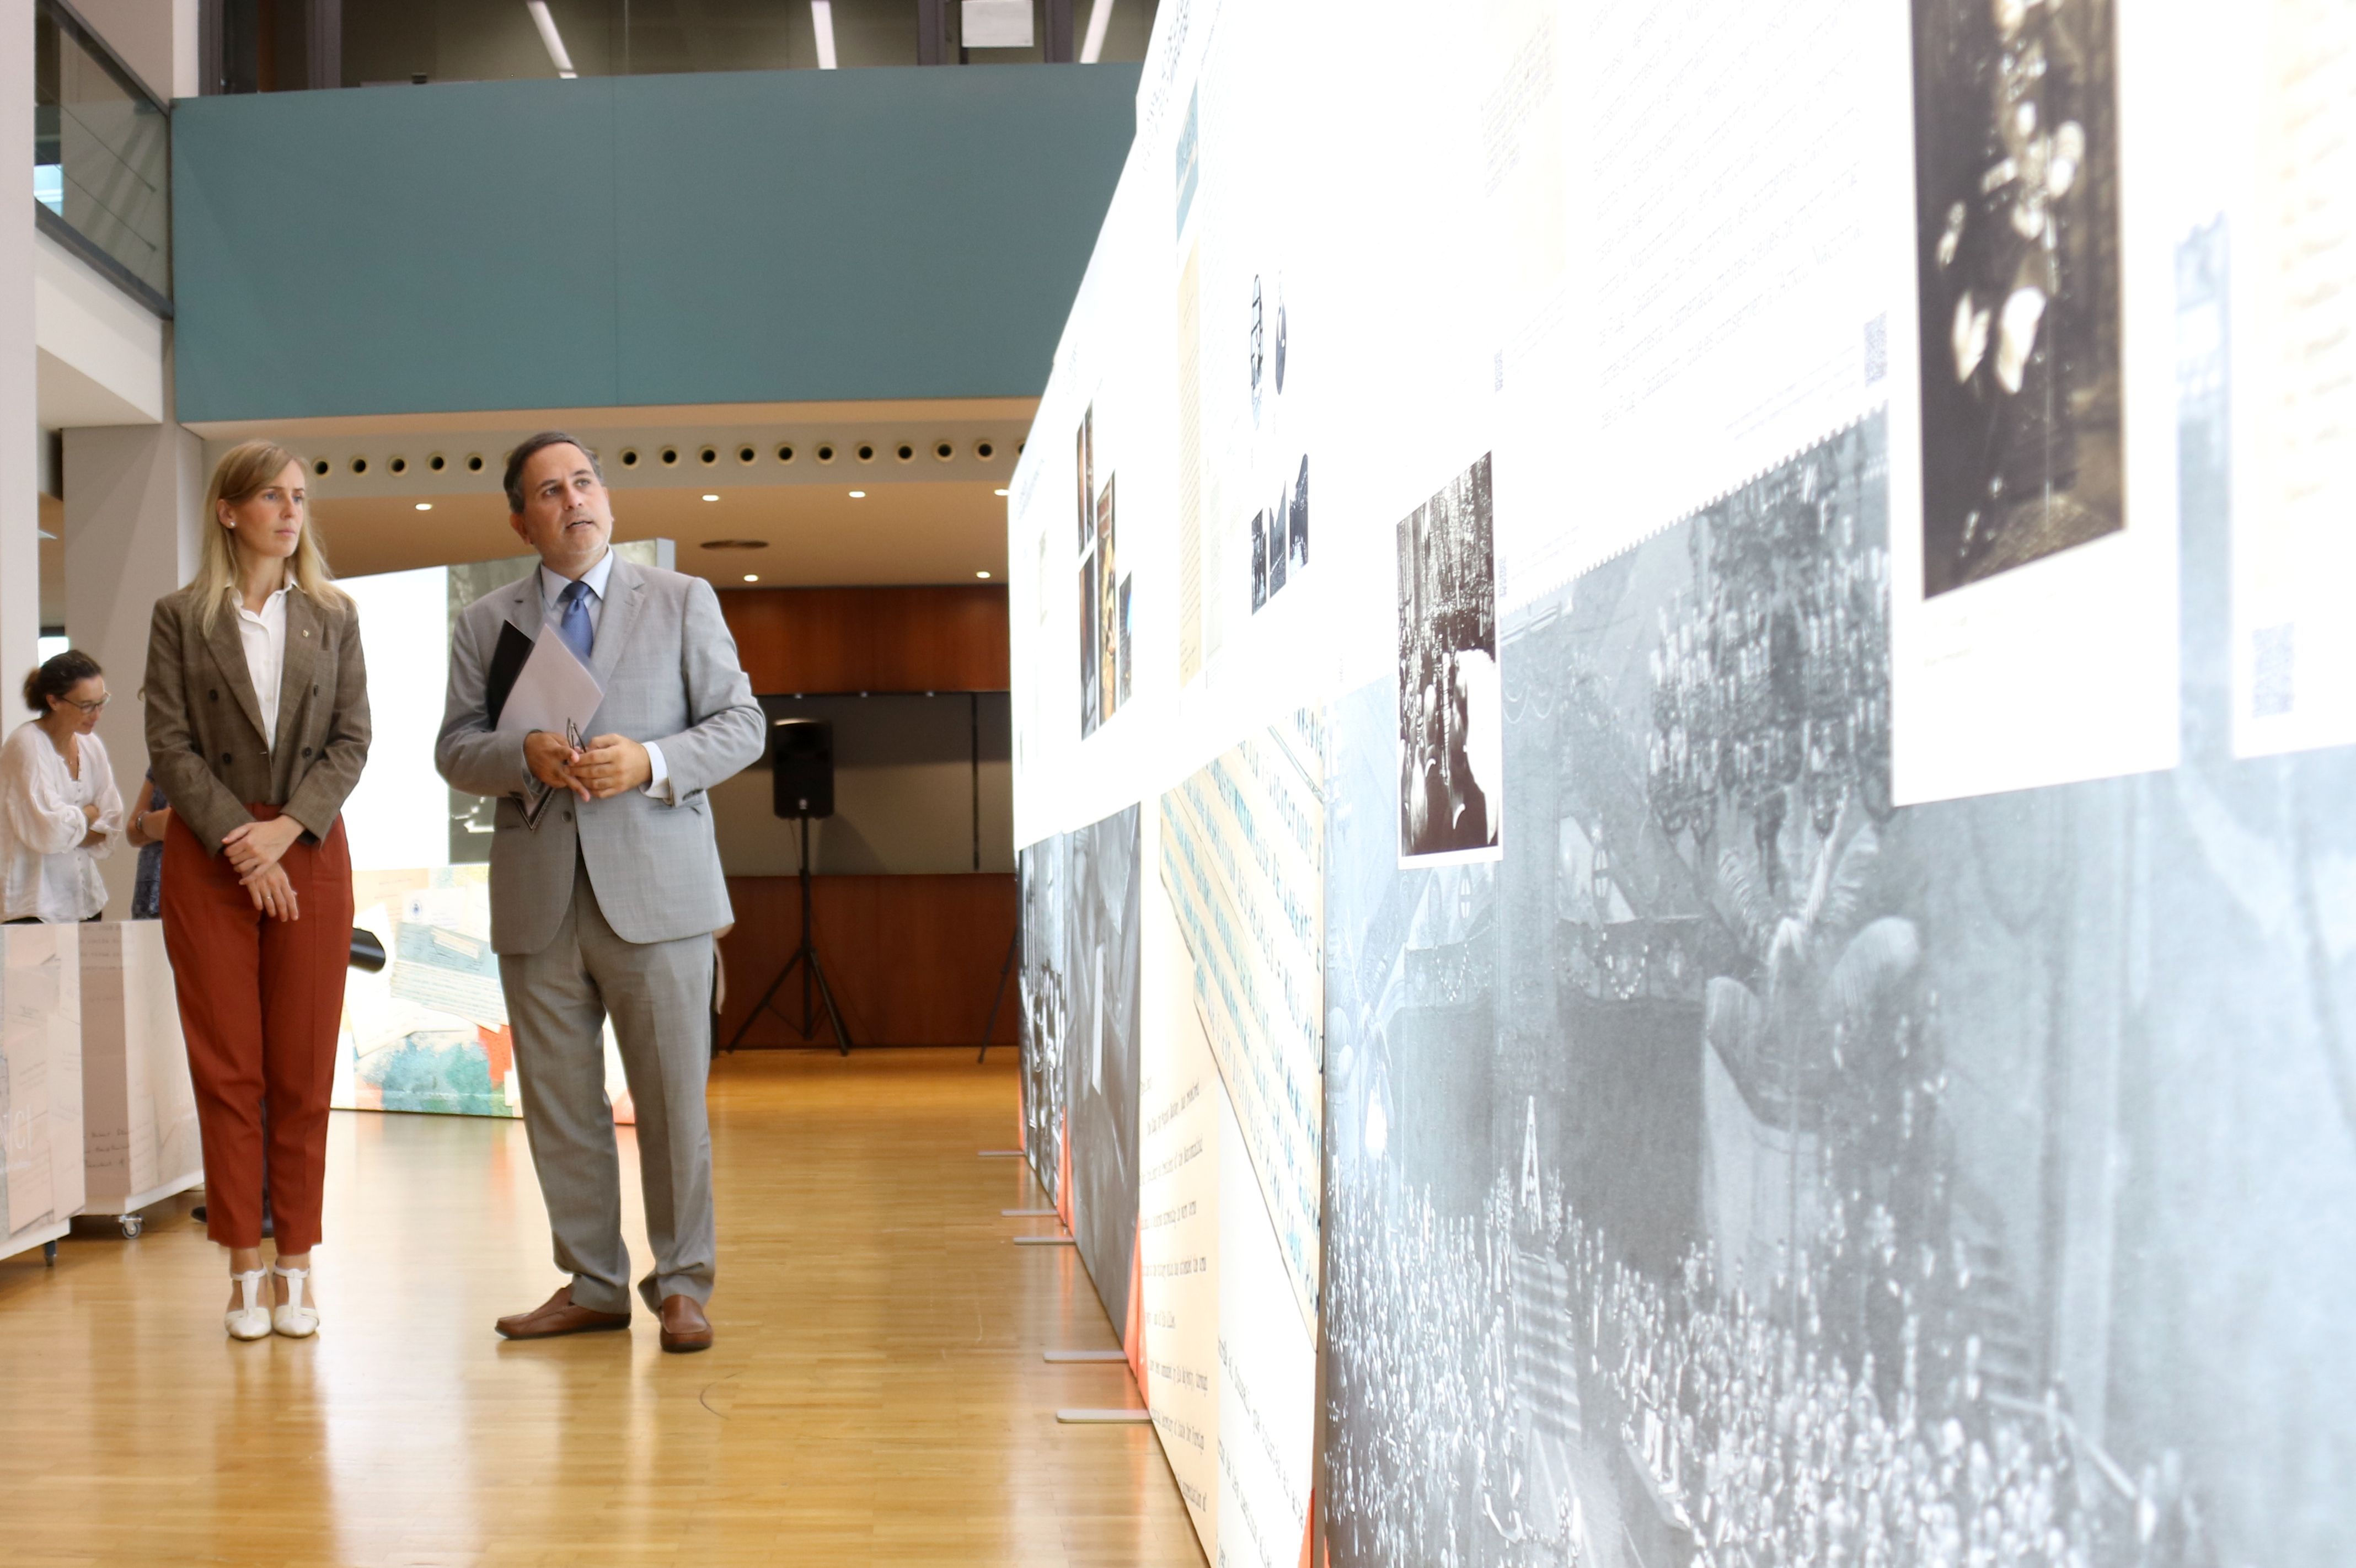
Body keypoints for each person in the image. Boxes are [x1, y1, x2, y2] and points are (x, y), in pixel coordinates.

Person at [437, 432, 762, 1354]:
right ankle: (591, 1282)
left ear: (606, 500)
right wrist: (521, 753)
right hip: (539, 897)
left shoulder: (681, 599)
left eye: (583, 481)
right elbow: (455, 748)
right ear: (521, 519)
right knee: (560, 1102)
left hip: (659, 893)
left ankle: (683, 1284)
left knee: (671, 1103)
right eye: (549, 489)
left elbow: (743, 725)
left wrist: (654, 759)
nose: (572, 498)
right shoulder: (485, 622)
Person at [144, 439, 370, 1341]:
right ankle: (244, 1262)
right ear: (228, 510)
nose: (289, 511)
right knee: (228, 1069)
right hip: (212, 850)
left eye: (300, 496)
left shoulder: (335, 613)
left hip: (307, 845)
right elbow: (168, 742)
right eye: (270, 496)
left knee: (303, 1069)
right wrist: (247, 840)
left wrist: (284, 832)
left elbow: (353, 738)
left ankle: (298, 1262)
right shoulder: (178, 616)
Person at [0, 649, 125, 923]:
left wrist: (74, 826)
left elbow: (112, 820)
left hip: (85, 902)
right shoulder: (26, 745)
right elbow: (49, 831)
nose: (97, 715)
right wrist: (88, 816)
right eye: (86, 706)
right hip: (35, 909)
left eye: (101, 702)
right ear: (54, 701)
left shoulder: (91, 745)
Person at [125, 768, 172, 918]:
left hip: (183, 899)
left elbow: (174, 825)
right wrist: (147, 822)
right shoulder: (162, 761)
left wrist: (143, 821)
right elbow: (132, 832)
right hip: (147, 897)